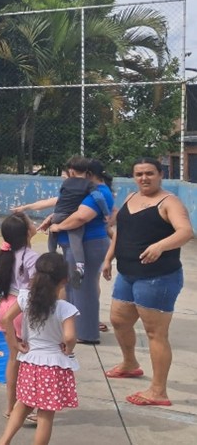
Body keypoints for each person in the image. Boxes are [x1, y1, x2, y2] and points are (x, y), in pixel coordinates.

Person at [101, 157, 193, 407]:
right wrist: (109, 258)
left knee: (155, 333)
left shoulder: (169, 202)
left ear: (160, 174)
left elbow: (185, 231)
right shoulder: (131, 197)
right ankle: (130, 363)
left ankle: (158, 391)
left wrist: (160, 246)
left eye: (149, 173)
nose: (144, 178)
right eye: (139, 173)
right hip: (127, 274)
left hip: (158, 278)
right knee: (119, 321)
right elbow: (121, 231)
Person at [0, 252, 79, 445]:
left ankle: (4, 441)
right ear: (64, 280)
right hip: (52, 366)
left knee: (22, 405)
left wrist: (15, 343)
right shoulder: (65, 308)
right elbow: (69, 336)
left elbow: (6, 319)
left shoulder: (26, 298)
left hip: (30, 362)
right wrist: (69, 348)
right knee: (45, 415)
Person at [46, 158, 115, 344]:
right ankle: (75, 329)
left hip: (88, 245)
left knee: (84, 290)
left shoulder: (99, 192)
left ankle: (87, 334)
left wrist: (58, 227)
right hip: (78, 244)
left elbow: (80, 217)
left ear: (89, 174)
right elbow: (68, 208)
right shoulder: (89, 190)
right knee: (74, 288)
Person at [14, 156, 110, 288]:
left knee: (52, 235)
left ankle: (52, 257)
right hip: (72, 216)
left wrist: (29, 209)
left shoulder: (66, 184)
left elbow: (58, 201)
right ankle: (80, 267)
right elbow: (98, 199)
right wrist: (106, 212)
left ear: (71, 171)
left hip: (59, 215)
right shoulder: (89, 185)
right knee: (76, 242)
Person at [0, 212, 40, 420]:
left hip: (5, 307)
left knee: (14, 358)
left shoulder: (5, 253)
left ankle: (11, 407)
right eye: (31, 223)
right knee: (31, 359)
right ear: (27, 233)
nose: (34, 225)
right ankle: (28, 406)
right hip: (21, 310)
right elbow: (37, 288)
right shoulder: (31, 257)